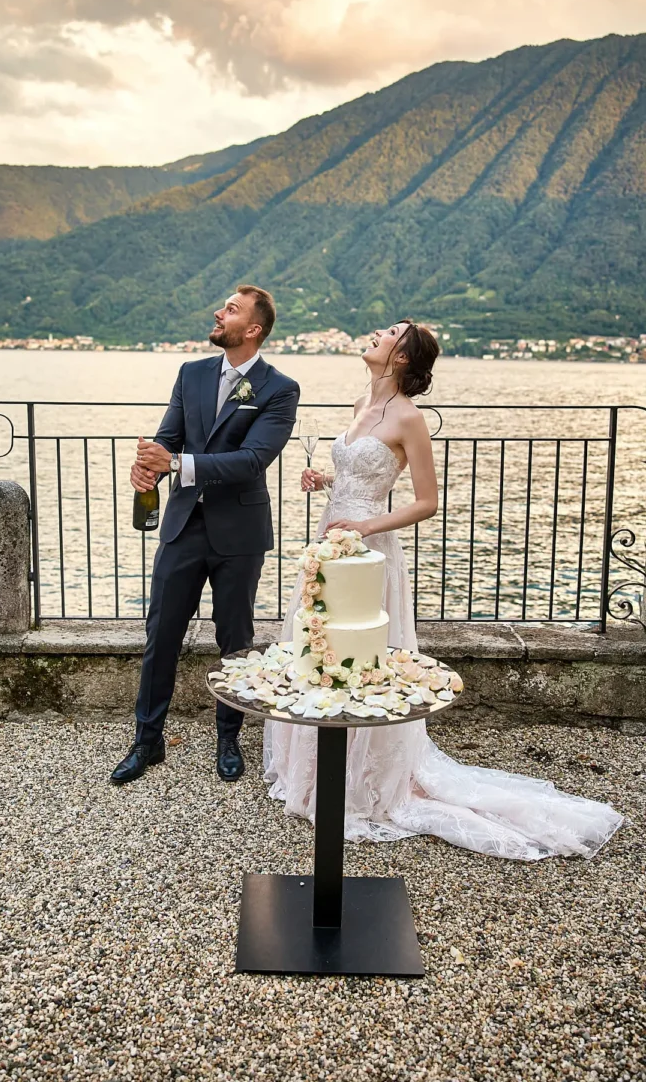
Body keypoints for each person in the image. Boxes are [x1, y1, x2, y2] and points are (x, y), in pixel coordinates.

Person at [264, 320, 625, 860]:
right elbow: (360, 475)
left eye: (388, 333)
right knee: (322, 644)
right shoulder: (362, 401)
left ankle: (365, 779)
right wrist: (326, 482)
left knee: (363, 653)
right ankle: (316, 768)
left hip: (368, 547)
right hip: (329, 543)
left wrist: (365, 526)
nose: (375, 335)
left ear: (404, 357)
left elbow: (426, 502)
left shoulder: (409, 418)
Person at [111, 285, 300, 785]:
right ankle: (147, 742)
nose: (219, 313)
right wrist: (149, 465)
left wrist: (175, 462)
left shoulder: (280, 389)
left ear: (253, 329)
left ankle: (229, 738)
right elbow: (170, 435)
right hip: (181, 526)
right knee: (160, 637)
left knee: (234, 642)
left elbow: (252, 460)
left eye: (231, 310)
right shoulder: (190, 373)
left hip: (238, 534)